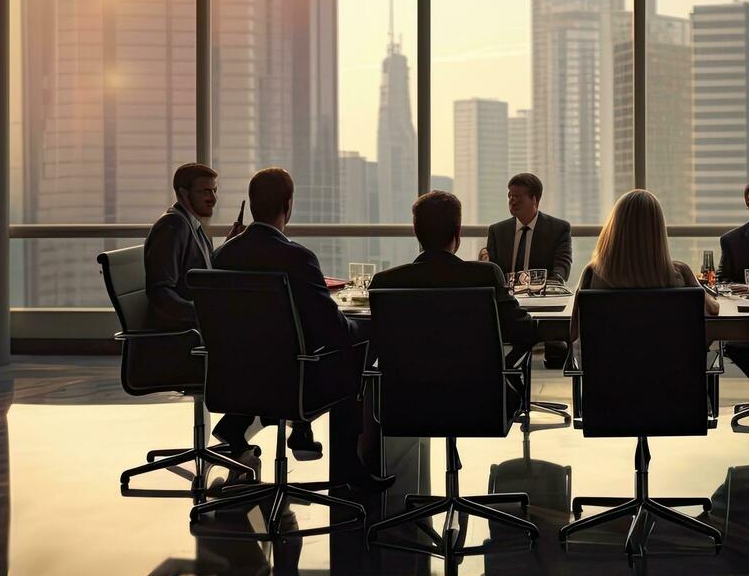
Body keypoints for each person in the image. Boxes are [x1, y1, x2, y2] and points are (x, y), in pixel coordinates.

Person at [210, 167, 369, 461]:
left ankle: (244, 421)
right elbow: (332, 330)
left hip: (235, 379)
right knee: (355, 348)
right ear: (287, 205)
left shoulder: (223, 255)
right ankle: (351, 468)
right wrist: (367, 327)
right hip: (292, 382)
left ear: (252, 204)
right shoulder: (297, 257)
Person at [370, 190, 539, 361]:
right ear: (457, 232)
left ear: (416, 231)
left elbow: (374, 342)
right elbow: (522, 330)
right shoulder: (485, 275)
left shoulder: (384, 282)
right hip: (477, 386)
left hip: (404, 387)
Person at [570, 189, 719, 344]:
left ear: (614, 228)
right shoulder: (681, 273)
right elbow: (711, 313)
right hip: (669, 366)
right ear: (659, 231)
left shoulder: (593, 273)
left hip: (609, 366)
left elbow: (574, 334)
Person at [143, 163, 245, 331]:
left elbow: (201, 267)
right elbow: (160, 292)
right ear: (183, 194)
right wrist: (204, 314)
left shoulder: (191, 224)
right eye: (205, 191)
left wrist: (229, 242)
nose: (213, 198)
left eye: (214, 191)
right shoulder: (173, 226)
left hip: (195, 324)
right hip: (183, 332)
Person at [481, 173, 574, 283]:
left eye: (517, 196)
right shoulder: (497, 231)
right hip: (506, 298)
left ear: (534, 199)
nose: (512, 200)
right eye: (510, 195)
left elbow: (561, 271)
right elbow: (491, 272)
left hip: (542, 297)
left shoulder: (558, 230)